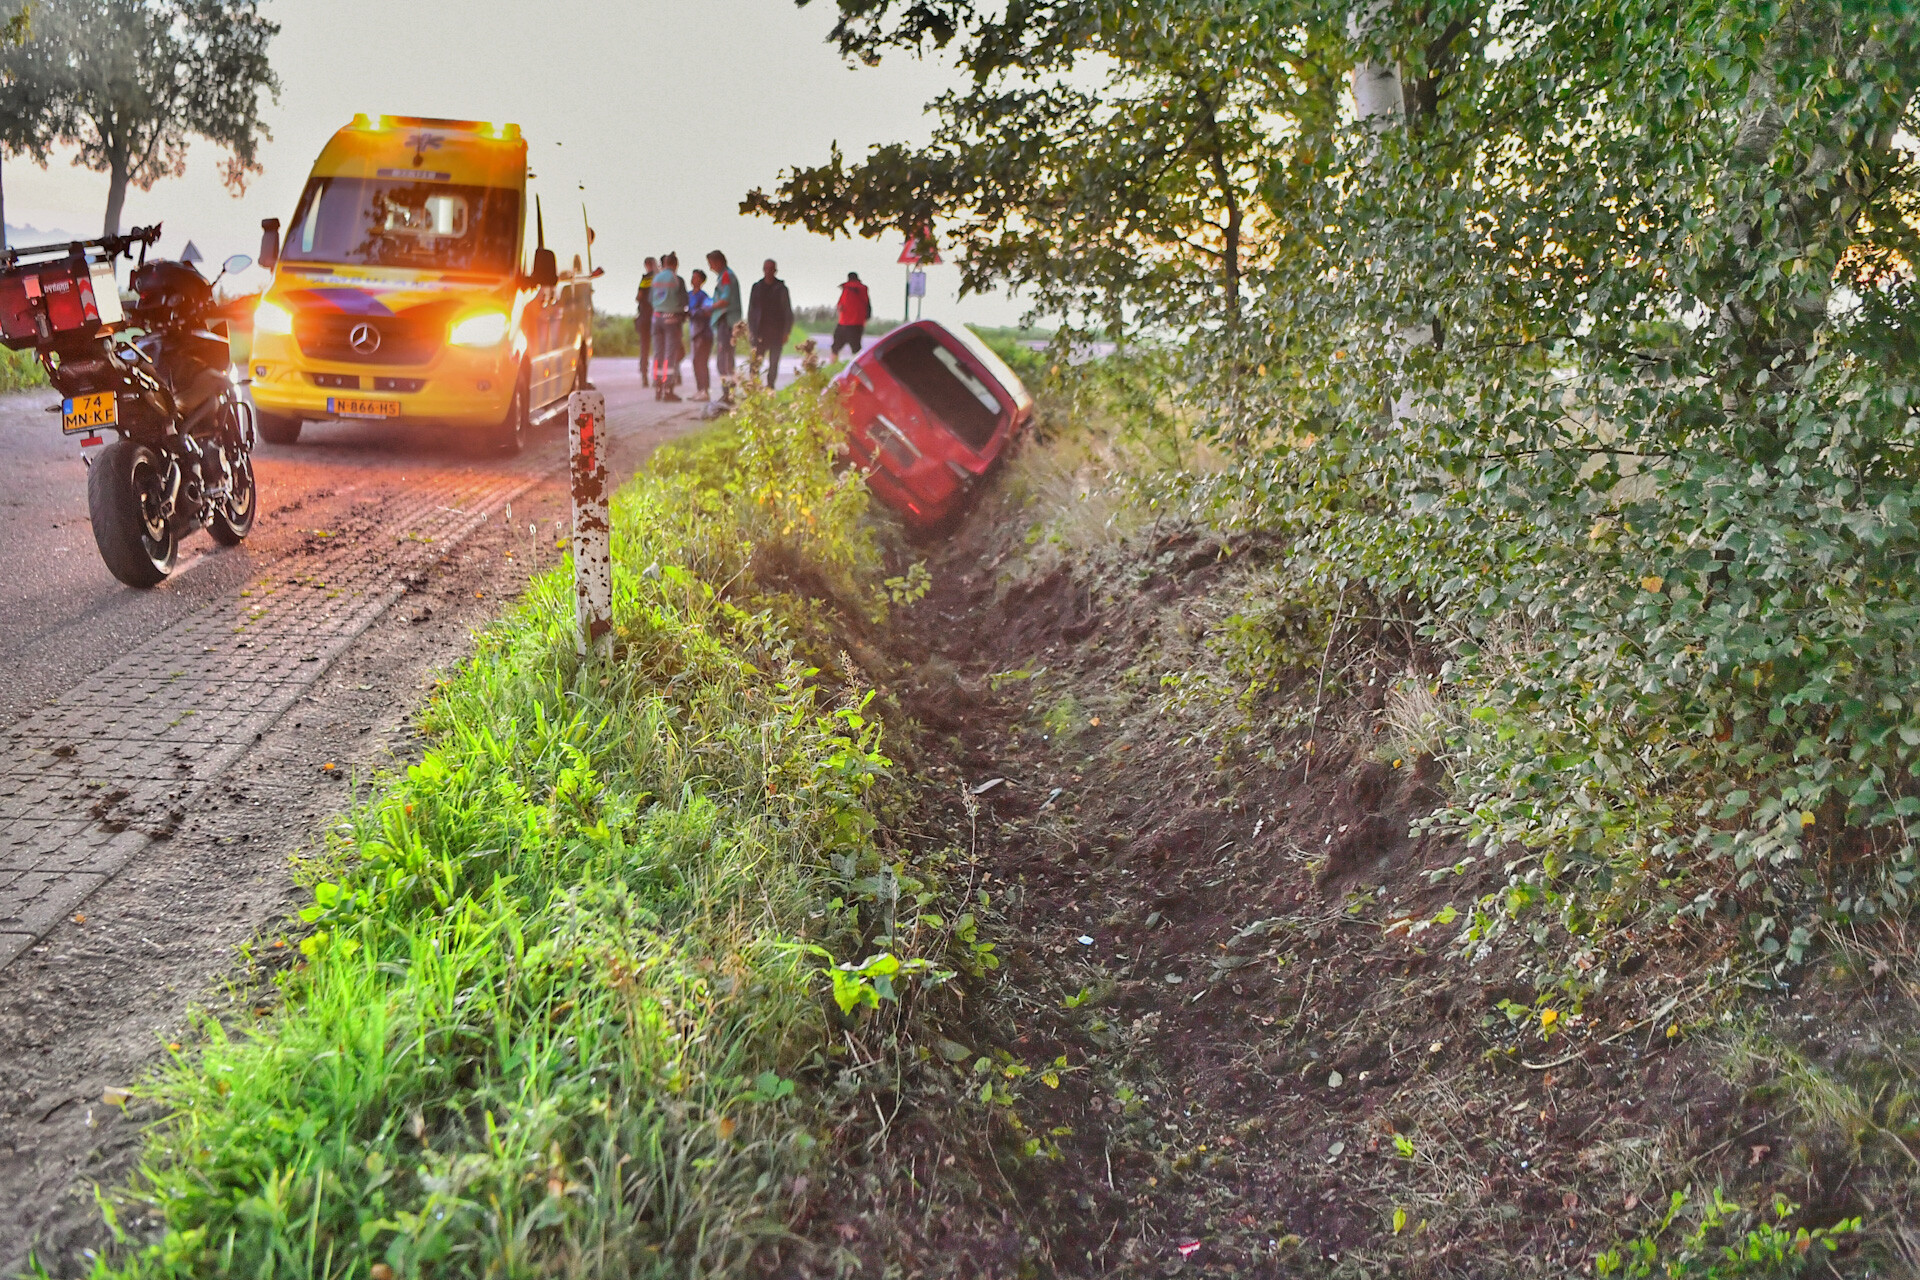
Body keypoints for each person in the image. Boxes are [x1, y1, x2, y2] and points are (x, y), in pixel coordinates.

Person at [649, 252, 689, 401]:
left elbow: (650, 299)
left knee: (658, 354)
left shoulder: (656, 279)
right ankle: (668, 390)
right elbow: (684, 300)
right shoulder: (677, 279)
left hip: (656, 318)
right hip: (672, 320)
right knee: (670, 356)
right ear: (675, 264)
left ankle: (657, 388)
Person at [747, 258, 793, 389]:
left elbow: (787, 311)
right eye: (766, 268)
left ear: (775, 271)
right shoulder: (757, 287)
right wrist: (751, 329)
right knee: (755, 362)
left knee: (774, 362)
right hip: (759, 331)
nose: (768, 271)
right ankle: (753, 386)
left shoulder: (781, 289)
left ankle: (770, 386)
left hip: (776, 332)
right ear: (763, 270)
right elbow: (751, 309)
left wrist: (786, 332)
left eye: (771, 269)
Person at [706, 250, 743, 401]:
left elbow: (725, 299)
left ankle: (728, 393)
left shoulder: (726, 276)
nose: (710, 268)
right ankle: (728, 393)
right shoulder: (725, 275)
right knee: (726, 359)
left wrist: (710, 307)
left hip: (726, 321)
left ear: (719, 262)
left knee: (724, 359)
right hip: (727, 321)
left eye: (711, 264)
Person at [687, 268, 714, 400]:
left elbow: (707, 311)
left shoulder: (704, 296)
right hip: (694, 332)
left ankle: (705, 390)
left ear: (702, 280)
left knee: (702, 361)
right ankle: (699, 389)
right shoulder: (688, 295)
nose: (693, 279)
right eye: (693, 277)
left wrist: (693, 313)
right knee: (695, 362)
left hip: (703, 333)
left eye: (696, 277)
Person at [832, 271, 872, 357]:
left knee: (835, 347)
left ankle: (833, 365)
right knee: (856, 349)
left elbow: (840, 305)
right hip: (858, 324)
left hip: (843, 323)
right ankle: (857, 367)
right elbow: (867, 304)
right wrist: (866, 317)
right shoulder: (863, 288)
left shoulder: (846, 288)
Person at [634, 256, 657, 385]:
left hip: (644, 317)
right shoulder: (659, 278)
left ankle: (644, 374)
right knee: (659, 348)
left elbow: (639, 297)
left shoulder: (645, 279)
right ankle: (659, 376)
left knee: (644, 347)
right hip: (656, 316)